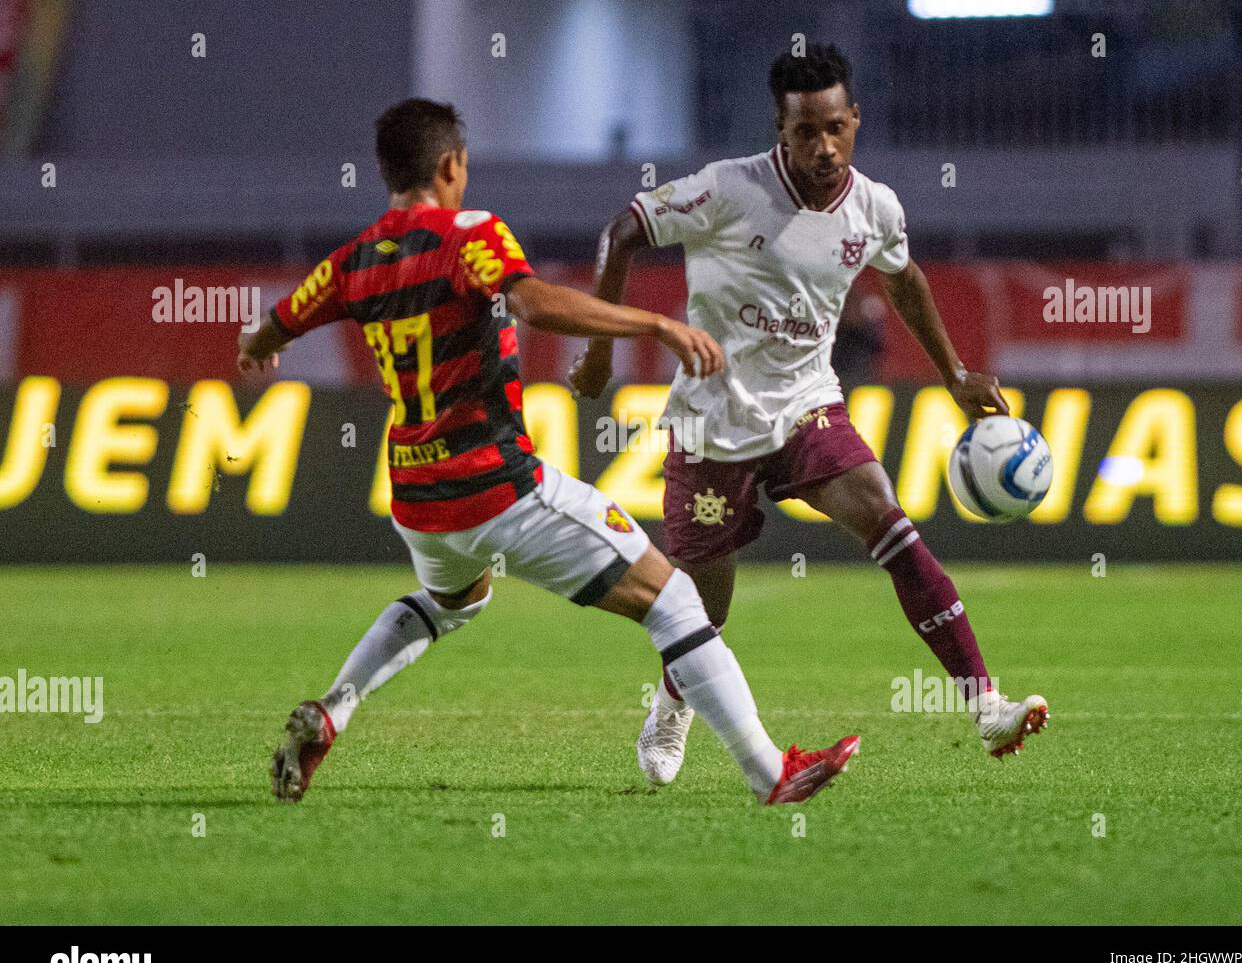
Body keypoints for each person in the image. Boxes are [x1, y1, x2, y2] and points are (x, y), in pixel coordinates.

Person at [236, 99, 859, 805]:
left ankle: (333, 710)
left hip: (416, 497)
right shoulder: (470, 234)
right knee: (677, 600)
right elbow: (533, 304)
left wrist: (258, 344)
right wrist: (655, 322)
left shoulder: (354, 261)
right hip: (497, 485)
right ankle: (769, 771)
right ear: (450, 166)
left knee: (452, 601)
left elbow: (278, 320)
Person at [569, 44, 1048, 786]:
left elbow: (906, 278)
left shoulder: (875, 207)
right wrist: (601, 352)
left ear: (854, 120)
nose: (823, 147)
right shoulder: (727, 189)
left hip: (805, 407)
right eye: (805, 133)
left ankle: (985, 703)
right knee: (705, 611)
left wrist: (953, 374)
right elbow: (623, 230)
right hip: (711, 422)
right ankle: (672, 701)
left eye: (835, 128)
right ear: (781, 131)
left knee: (890, 522)